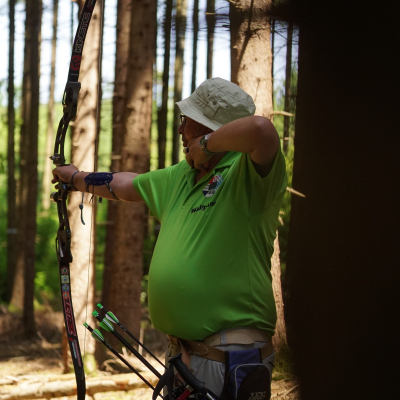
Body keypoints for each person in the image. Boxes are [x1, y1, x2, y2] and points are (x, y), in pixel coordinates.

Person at [52, 77, 287, 397]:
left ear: (209, 128)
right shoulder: (182, 175)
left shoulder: (248, 174)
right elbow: (125, 185)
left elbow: (261, 130)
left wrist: (205, 145)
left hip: (229, 356)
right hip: (185, 356)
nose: (180, 129)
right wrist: (76, 178)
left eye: (187, 121)